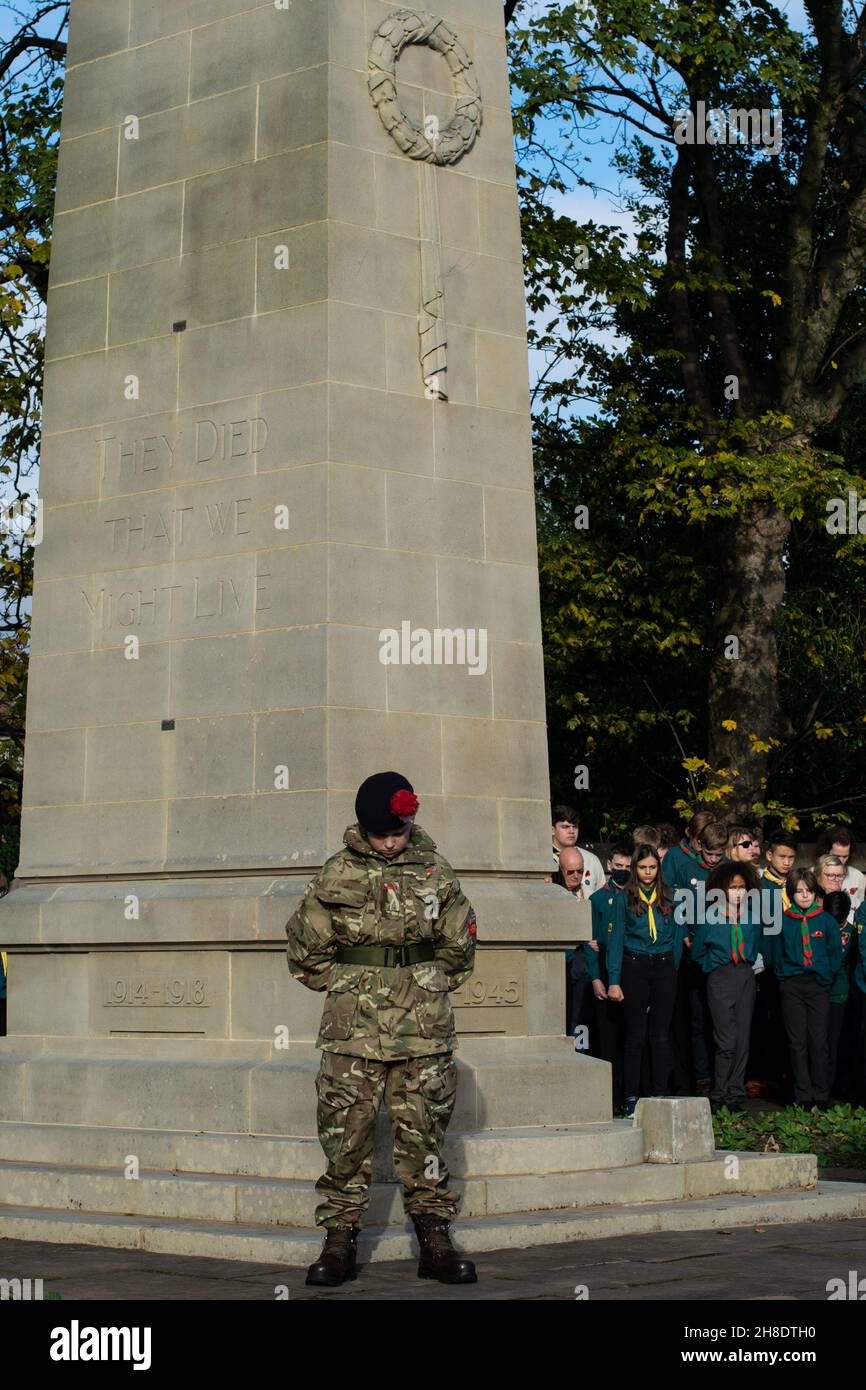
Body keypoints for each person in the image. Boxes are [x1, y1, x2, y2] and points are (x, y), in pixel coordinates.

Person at [285, 771, 477, 1287]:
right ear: (364, 828)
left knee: (425, 1133)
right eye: (382, 834)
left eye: (398, 831)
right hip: (354, 1030)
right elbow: (305, 951)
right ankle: (340, 1242)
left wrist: (427, 983)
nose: (392, 841)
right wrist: (354, 984)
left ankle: (434, 1239)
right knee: (346, 1133)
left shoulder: (436, 870)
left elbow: (460, 943)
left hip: (422, 1026)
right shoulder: (335, 874)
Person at [606, 843, 684, 1116]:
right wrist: (614, 979)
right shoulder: (624, 897)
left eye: (652, 867)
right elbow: (615, 940)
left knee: (661, 1036)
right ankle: (631, 1096)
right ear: (634, 868)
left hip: (663, 966)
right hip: (634, 964)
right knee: (635, 1036)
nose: (648, 873)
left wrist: (672, 969)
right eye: (642, 867)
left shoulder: (670, 896)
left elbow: (676, 937)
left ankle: (660, 1093)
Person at [691, 861, 763, 1113]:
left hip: (745, 975)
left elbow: (756, 946)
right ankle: (719, 1093)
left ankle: (735, 1094)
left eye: (742, 888)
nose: (738, 893)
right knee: (726, 1039)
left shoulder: (752, 918)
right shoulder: (709, 919)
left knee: (743, 1039)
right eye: (733, 888)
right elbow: (698, 954)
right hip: (720, 977)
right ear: (721, 889)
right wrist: (714, 968)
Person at [769, 868, 843, 1109]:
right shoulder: (784, 921)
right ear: (791, 894)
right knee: (797, 1042)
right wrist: (784, 978)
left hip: (819, 985)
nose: (804, 896)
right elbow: (777, 954)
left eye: (809, 891)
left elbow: (835, 952)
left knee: (818, 1041)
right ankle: (804, 1094)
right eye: (799, 891)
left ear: (815, 893)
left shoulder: (826, 920)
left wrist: (826, 976)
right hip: (792, 985)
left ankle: (821, 1094)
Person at [584, 841, 632, 1110]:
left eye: (628, 866)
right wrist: (596, 977)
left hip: (631, 966)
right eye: (619, 866)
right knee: (608, 1037)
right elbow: (590, 941)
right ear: (609, 866)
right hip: (603, 966)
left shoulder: (635, 896)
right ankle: (611, 1099)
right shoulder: (597, 899)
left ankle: (630, 1094)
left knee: (632, 1036)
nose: (623, 870)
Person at [554, 846, 593, 1044]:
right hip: (563, 964)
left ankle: (581, 1052)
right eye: (571, 872)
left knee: (582, 1016)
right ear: (560, 870)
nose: (576, 876)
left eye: (581, 870)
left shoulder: (587, 892)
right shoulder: (553, 895)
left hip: (584, 964)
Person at [821, 890, 855, 1098]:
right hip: (817, 991)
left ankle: (828, 1089)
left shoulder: (853, 932)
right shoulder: (818, 926)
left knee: (832, 1043)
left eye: (839, 923)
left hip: (838, 995)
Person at [551, 804, 605, 896]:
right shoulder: (544, 860)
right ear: (552, 830)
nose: (572, 831)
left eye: (575, 826)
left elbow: (602, 896)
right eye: (565, 827)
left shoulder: (591, 860)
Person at [659, 811, 716, 894]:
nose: (701, 843)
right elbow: (666, 888)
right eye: (698, 838)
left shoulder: (718, 858)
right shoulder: (674, 855)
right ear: (688, 832)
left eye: (706, 839)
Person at [815, 826, 865, 918]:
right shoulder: (812, 874)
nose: (841, 861)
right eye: (837, 856)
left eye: (845, 856)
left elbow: (861, 910)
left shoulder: (858, 877)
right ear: (826, 851)